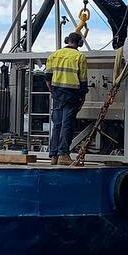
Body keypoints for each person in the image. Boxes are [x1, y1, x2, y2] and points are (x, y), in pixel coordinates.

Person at [44, 32, 88, 165]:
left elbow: (47, 77)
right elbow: (83, 81)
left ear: (67, 40)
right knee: (67, 125)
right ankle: (63, 154)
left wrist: (53, 91)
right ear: (79, 43)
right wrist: (82, 98)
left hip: (57, 94)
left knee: (57, 124)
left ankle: (53, 156)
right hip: (72, 95)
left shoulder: (54, 55)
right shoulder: (80, 56)